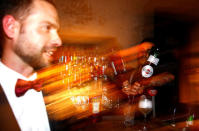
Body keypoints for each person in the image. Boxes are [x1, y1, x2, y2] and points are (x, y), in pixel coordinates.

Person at [0, 0, 62, 130]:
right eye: (47, 27)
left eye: (56, 30)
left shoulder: (57, 92)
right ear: (11, 27)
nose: (58, 40)